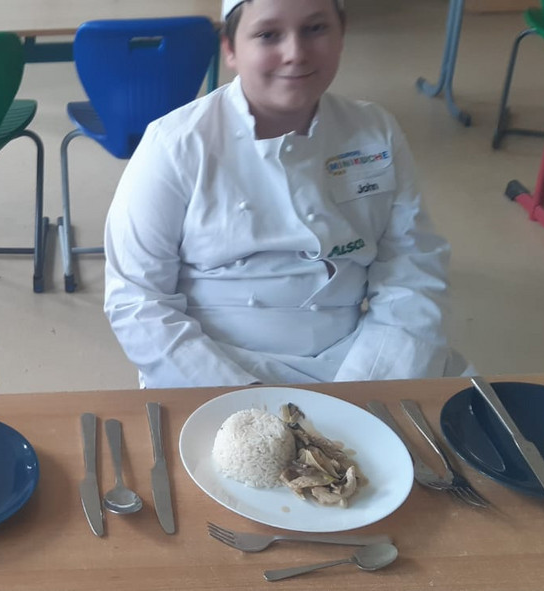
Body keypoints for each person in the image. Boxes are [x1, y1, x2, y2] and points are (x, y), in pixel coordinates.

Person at [103, 0, 471, 388]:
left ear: (342, 35)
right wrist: (245, 400)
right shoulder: (175, 144)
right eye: (268, 35)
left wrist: (369, 385)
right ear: (230, 48)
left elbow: (413, 273)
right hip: (212, 369)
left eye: (315, 29)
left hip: (356, 362)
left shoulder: (375, 130)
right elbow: (137, 301)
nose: (296, 53)